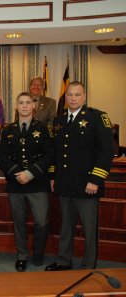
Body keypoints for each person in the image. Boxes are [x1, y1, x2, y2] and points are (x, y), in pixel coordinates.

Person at [45, 81, 114, 271]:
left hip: (87, 185)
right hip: (65, 184)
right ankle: (64, 260)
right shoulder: (58, 122)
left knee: (89, 230)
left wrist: (95, 180)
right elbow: (55, 152)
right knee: (66, 226)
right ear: (65, 97)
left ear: (84, 97)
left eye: (77, 95)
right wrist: (52, 176)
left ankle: (88, 266)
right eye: (70, 95)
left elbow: (107, 151)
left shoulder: (97, 117)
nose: (73, 98)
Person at [0, 92, 54, 272]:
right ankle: (22, 255)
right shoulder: (8, 130)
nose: (24, 106)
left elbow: (49, 155)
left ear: (33, 106)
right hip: (16, 184)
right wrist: (17, 173)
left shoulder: (43, 129)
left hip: (37, 182)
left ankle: (38, 253)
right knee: (19, 222)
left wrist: (30, 173)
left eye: (28, 103)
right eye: (20, 103)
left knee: (42, 222)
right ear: (16, 106)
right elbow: (2, 157)